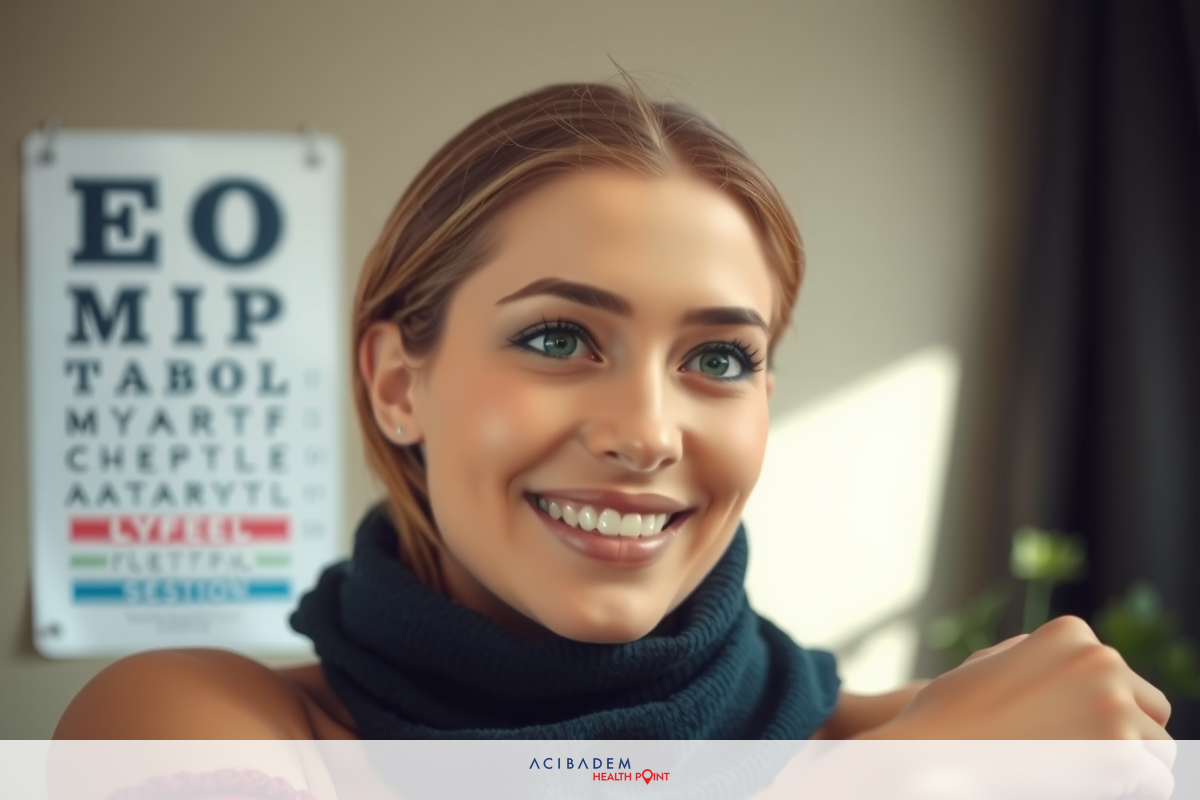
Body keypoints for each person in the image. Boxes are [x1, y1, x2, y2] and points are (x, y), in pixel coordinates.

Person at [55, 79, 1172, 742]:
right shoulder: (180, 720)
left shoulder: (965, 735)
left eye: (719, 357)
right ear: (398, 383)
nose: (644, 433)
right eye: (558, 338)